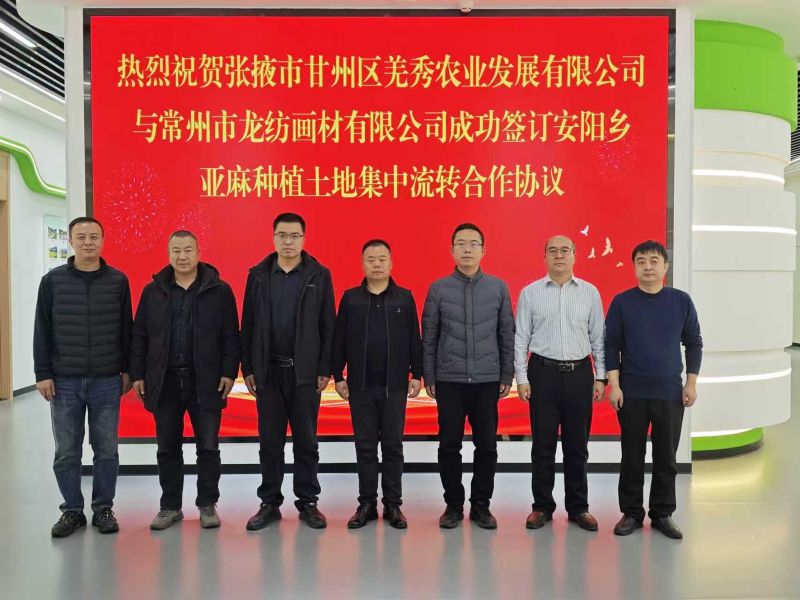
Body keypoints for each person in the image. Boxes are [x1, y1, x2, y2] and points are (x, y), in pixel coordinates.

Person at [129, 230, 240, 530]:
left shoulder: (219, 290)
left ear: (199, 252)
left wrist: (229, 372)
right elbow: (140, 336)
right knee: (167, 448)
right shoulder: (153, 291)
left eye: (188, 250)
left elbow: (231, 336)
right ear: (168, 254)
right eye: (176, 251)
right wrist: (138, 374)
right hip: (164, 381)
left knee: (208, 447)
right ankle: (170, 506)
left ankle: (207, 503)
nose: (182, 256)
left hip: (206, 381)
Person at [34, 216, 133, 537]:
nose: (88, 242)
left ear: (102, 241)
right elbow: (42, 330)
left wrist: (128, 370)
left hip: (106, 379)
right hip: (64, 381)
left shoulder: (118, 281)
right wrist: (42, 373)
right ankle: (72, 511)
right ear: (71, 241)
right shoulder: (52, 282)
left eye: (94, 237)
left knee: (107, 450)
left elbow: (127, 330)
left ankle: (103, 508)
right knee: (67, 451)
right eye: (81, 237)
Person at [241, 213, 335, 530]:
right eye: (282, 235)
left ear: (304, 239)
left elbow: (328, 325)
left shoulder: (319, 275)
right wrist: (248, 367)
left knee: (306, 442)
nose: (288, 242)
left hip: (305, 374)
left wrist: (325, 368)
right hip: (268, 373)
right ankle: (269, 503)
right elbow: (247, 325)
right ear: (273, 237)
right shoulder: (258, 276)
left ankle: (308, 502)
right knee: (270, 442)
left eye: (294, 236)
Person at [605, 240, 702, 540]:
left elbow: (693, 342)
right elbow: (611, 345)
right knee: (631, 456)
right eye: (641, 261)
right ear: (634, 267)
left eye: (654, 260)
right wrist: (614, 385)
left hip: (670, 393)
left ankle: (662, 513)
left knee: (666, 458)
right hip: (631, 393)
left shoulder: (681, 301)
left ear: (665, 266)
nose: (648, 266)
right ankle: (631, 513)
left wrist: (691, 383)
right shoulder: (622, 302)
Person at [422, 223, 515, 530]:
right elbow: (429, 336)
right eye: (460, 243)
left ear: (483, 250)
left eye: (473, 244)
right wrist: (430, 375)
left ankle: (481, 505)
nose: (467, 249)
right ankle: (453, 504)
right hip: (449, 379)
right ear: (451, 250)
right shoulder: (438, 289)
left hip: (487, 380)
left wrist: (506, 373)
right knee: (449, 445)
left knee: (486, 445)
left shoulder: (498, 288)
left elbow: (506, 334)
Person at [515, 235, 606, 532]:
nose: (559, 255)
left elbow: (598, 338)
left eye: (565, 250)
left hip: (580, 374)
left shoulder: (590, 293)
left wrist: (601, 376)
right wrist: (521, 378)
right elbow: (520, 339)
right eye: (552, 250)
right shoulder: (530, 293)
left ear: (575, 256)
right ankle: (541, 506)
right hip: (543, 374)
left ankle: (579, 507)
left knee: (577, 446)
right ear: (544, 257)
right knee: (543, 445)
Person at [332, 239, 423, 529]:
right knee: (365, 446)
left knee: (393, 446)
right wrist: (338, 376)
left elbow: (414, 338)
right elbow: (339, 339)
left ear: (391, 263)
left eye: (382, 259)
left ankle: (393, 504)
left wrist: (417, 374)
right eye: (371, 259)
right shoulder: (351, 299)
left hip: (394, 386)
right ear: (362, 264)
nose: (377, 264)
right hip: (360, 386)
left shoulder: (404, 298)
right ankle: (367, 504)